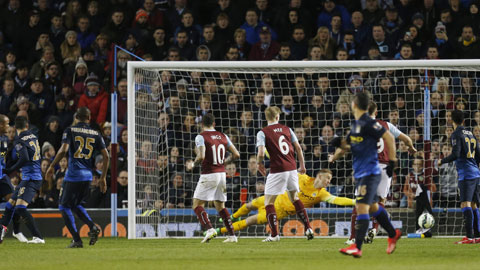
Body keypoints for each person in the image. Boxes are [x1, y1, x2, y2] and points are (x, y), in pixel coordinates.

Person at [330, 92, 401, 258]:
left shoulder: (369, 123)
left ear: (355, 104)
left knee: (361, 206)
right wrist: (338, 144)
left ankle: (357, 246)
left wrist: (392, 162)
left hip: (371, 172)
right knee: (374, 207)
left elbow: (389, 137)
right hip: (361, 172)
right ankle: (393, 233)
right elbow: (350, 146)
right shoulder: (356, 125)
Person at [346, 101, 417, 245]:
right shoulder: (387, 125)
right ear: (376, 112)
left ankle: (353, 237)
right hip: (385, 167)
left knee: (359, 201)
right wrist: (411, 147)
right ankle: (375, 227)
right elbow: (406, 139)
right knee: (381, 201)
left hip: (369, 166)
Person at [215, 169, 354, 235]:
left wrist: (354, 202)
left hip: (279, 212)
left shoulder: (322, 194)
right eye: (328, 178)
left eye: (330, 179)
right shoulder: (303, 178)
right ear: (319, 176)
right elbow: (288, 171)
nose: (329, 181)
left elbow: (338, 200)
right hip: (273, 198)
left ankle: (218, 231)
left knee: (249, 221)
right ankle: (232, 216)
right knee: (249, 205)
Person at [46, 107, 110, 248]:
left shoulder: (70, 130)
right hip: (87, 176)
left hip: (73, 175)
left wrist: (52, 166)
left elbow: (63, 150)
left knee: (63, 207)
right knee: (75, 205)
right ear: (89, 118)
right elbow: (106, 155)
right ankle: (92, 227)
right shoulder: (96, 133)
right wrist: (103, 177)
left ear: (76, 117)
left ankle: (77, 239)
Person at [256, 106, 312, 242]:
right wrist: (302, 165)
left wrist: (259, 163)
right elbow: (298, 148)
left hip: (277, 170)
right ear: (277, 117)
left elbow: (261, 153)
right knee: (295, 198)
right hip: (292, 168)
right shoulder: (287, 129)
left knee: (269, 202)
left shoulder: (263, 132)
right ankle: (308, 228)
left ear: (266, 117)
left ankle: (274, 235)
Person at [192, 113, 240, 243]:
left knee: (197, 204)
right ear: (214, 124)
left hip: (209, 174)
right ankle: (232, 235)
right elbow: (236, 154)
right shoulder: (223, 136)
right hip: (221, 174)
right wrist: (225, 161)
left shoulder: (201, 137)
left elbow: (201, 156)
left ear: (202, 124)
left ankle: (209, 229)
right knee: (220, 206)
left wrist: (193, 164)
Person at [0, 116, 45, 244]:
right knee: (10, 205)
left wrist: (10, 169)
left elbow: (24, 158)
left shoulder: (19, 140)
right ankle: (16, 231)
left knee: (20, 208)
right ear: (27, 126)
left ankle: (38, 237)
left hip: (31, 178)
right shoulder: (33, 136)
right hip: (30, 176)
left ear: (15, 127)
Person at [438, 110, 480, 244]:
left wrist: (442, 161)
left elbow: (455, 154)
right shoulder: (470, 133)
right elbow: (478, 153)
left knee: (465, 203)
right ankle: (477, 236)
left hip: (466, 174)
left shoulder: (456, 134)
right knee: (474, 204)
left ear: (451, 120)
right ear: (463, 120)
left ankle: (469, 236)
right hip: (475, 172)